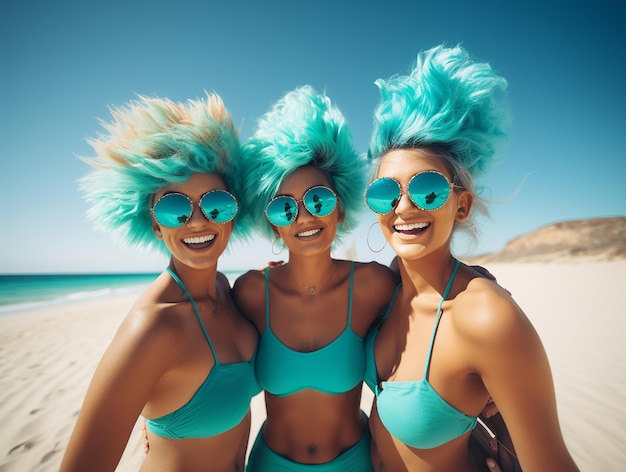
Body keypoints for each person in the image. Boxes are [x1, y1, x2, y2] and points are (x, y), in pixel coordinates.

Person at [363, 45, 580, 471]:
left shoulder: (486, 316)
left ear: (460, 207)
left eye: (427, 190)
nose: (403, 208)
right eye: (386, 192)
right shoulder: (384, 289)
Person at [60, 94, 261, 471]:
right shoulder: (151, 328)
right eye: (174, 207)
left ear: (233, 213)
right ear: (155, 224)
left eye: (215, 202)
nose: (198, 221)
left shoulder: (227, 292)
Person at [232, 85, 399, 471]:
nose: (304, 216)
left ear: (340, 209)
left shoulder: (375, 287)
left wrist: (476, 277)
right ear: (273, 225)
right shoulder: (251, 293)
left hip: (355, 462)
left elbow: (431, 312)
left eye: (319, 199)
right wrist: (153, 417)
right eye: (285, 207)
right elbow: (200, 347)